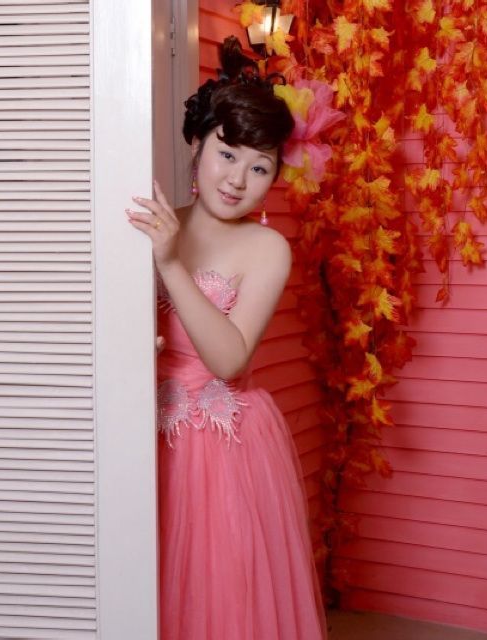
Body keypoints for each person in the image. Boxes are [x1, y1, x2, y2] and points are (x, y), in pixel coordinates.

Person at [126, 36, 327, 640]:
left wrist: (170, 264)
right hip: (140, 438)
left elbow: (228, 358)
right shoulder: (156, 223)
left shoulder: (267, 249)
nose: (238, 179)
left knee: (218, 601)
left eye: (259, 166)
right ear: (198, 142)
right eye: (227, 153)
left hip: (221, 450)